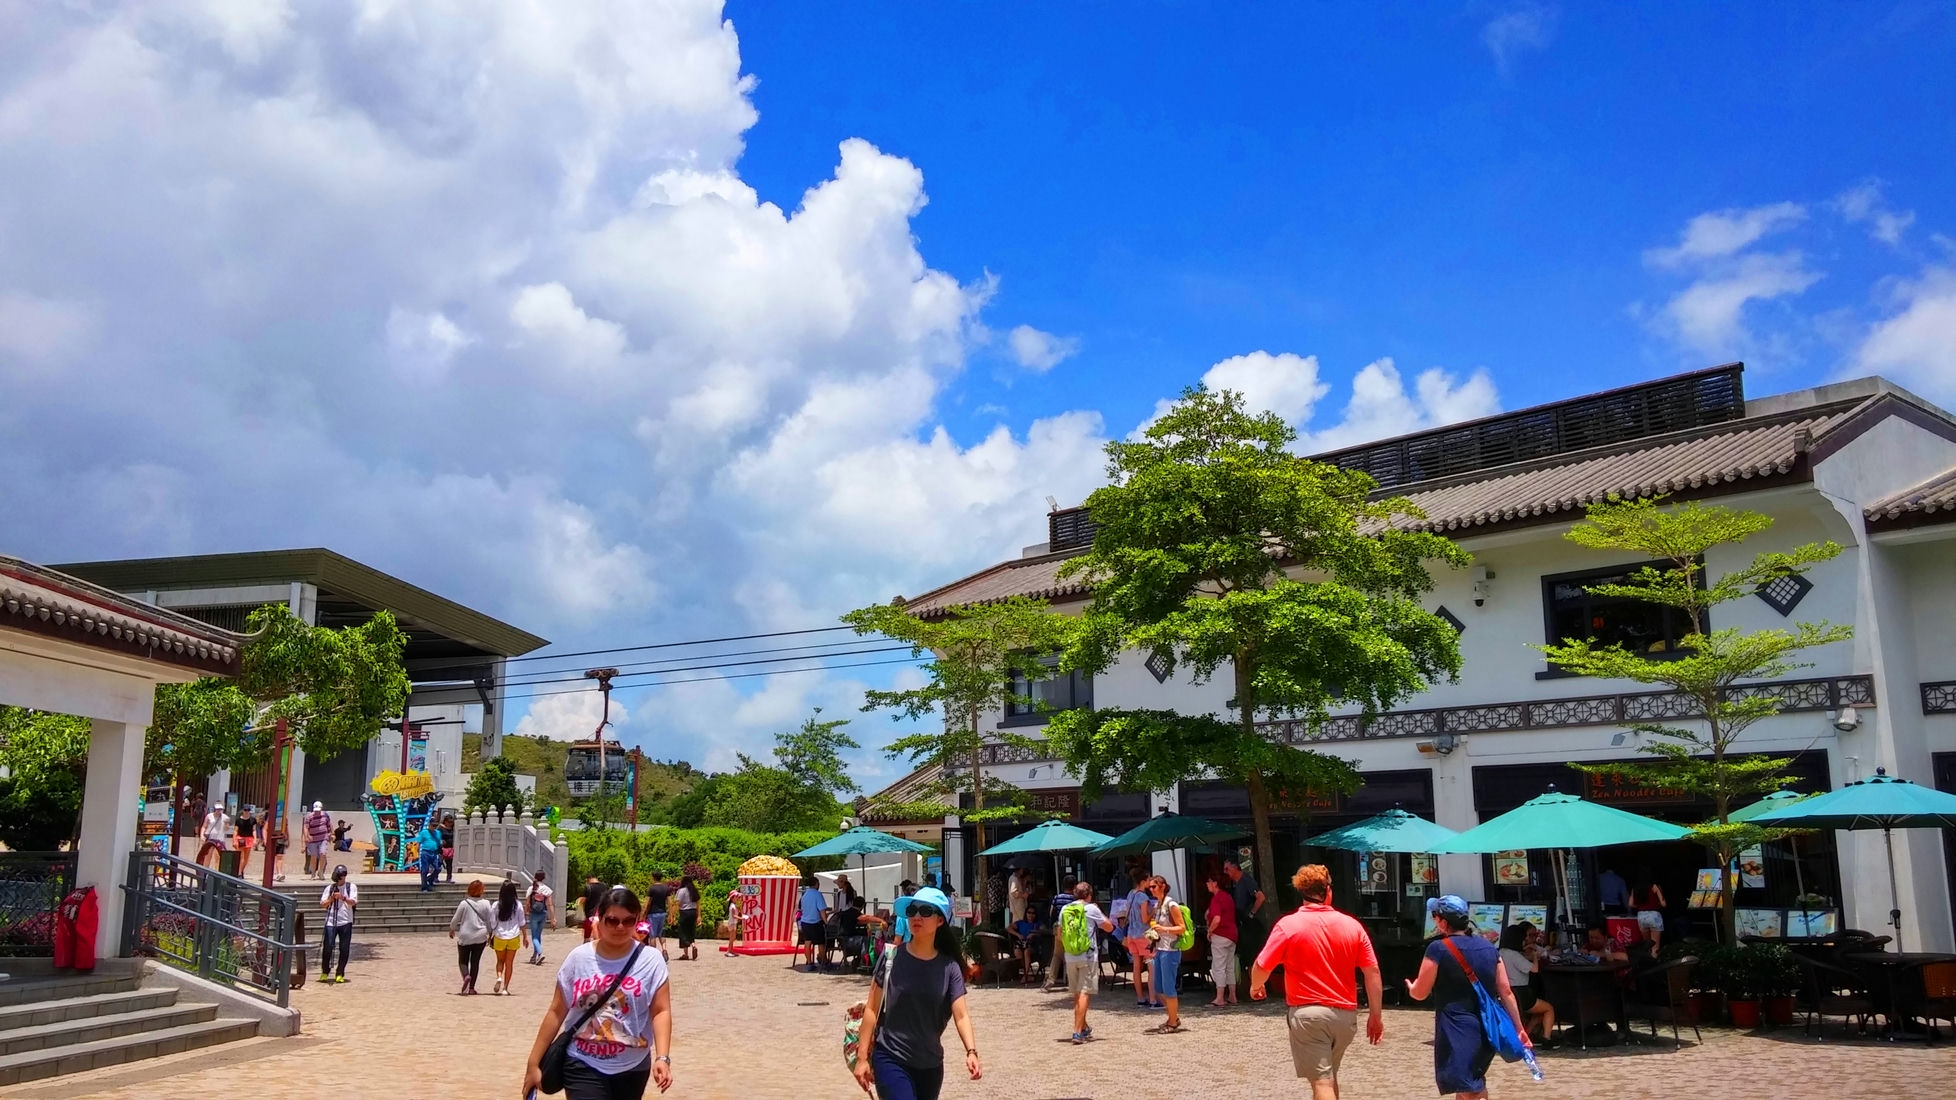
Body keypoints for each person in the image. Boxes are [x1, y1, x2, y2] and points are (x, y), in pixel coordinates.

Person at [523, 885, 673, 1100]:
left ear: (637, 920)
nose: (620, 927)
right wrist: (533, 1062)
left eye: (628, 920)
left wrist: (663, 1057)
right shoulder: (579, 958)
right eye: (612, 920)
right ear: (599, 919)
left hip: (632, 1066)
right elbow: (557, 1011)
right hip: (582, 1061)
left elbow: (661, 1011)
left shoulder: (651, 960)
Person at [1250, 865, 1384, 1100]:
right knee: (1329, 1079)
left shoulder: (1288, 925)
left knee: (1322, 1082)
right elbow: (1371, 972)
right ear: (1327, 891)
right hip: (1345, 1016)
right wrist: (1376, 1015)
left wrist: (1255, 986)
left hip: (1309, 1014)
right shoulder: (1352, 926)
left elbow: (1262, 966)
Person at [852, 887, 980, 1099]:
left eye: (926, 911)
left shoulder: (949, 967)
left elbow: (961, 1015)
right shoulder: (891, 957)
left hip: (930, 1065)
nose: (917, 917)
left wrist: (971, 1051)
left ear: (940, 921)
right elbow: (872, 1009)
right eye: (912, 911)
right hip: (891, 1057)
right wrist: (862, 1058)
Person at [1404, 896, 1529, 1100]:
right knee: (1466, 1083)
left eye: (1435, 916)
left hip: (1456, 1027)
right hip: (1487, 1026)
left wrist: (1411, 987)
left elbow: (1420, 993)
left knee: (1471, 1088)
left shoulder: (1437, 949)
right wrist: (1519, 1028)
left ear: (1444, 922)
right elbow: (1506, 991)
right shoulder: (1489, 948)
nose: (1435, 920)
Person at [1056, 880, 1115, 1044]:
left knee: (1077, 993)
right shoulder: (1091, 908)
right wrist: (1100, 912)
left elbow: (1059, 934)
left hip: (1070, 956)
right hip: (1087, 956)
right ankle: (1076, 1032)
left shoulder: (1065, 909)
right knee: (1085, 993)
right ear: (1089, 895)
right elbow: (1109, 927)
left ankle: (1082, 1026)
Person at [1499, 922, 1555, 1046]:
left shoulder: (1501, 952)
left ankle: (1527, 1032)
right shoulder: (1514, 955)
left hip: (1506, 991)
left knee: (1537, 1011)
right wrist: (1535, 957)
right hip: (1522, 993)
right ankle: (1547, 1039)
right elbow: (1534, 969)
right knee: (1548, 1008)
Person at [1145, 876, 1187, 1034]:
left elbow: (1181, 928)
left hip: (1171, 951)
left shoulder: (1172, 905)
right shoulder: (1158, 905)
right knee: (1158, 987)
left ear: (1162, 886)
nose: (1151, 889)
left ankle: (1172, 1021)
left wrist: (1164, 930)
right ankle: (1173, 1017)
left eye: (1154, 887)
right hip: (1160, 950)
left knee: (1169, 988)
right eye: (1150, 887)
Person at [1224, 858, 1267, 996]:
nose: (1226, 872)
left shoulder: (1246, 880)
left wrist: (1251, 914)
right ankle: (1249, 989)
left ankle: (1258, 989)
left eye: (1227, 869)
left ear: (1235, 867)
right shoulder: (1235, 884)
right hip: (1244, 925)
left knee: (1253, 957)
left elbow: (1260, 897)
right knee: (1245, 957)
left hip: (1253, 926)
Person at [449, 878, 495, 995]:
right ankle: (472, 988)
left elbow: (456, 919)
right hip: (480, 935)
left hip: (466, 934)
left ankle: (466, 976)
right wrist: (490, 933)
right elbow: (490, 921)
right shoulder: (486, 903)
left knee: (463, 961)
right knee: (475, 962)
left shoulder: (464, 903)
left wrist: (452, 929)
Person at [1203, 871, 1239, 1007]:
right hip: (1232, 935)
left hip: (1221, 934)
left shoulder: (1216, 898)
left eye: (1208, 881)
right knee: (1229, 966)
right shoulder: (1228, 897)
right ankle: (1232, 995)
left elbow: (1217, 919)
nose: (1207, 884)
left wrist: (1210, 930)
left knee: (1218, 966)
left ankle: (1219, 998)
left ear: (1214, 883)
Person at [490, 878, 529, 994]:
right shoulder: (517, 905)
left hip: (499, 935)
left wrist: (490, 934)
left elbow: (492, 922)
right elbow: (522, 922)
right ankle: (505, 988)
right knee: (509, 963)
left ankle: (499, 977)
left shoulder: (496, 905)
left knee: (500, 961)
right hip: (513, 936)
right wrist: (525, 937)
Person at [320, 864, 358, 983]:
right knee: (328, 947)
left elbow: (353, 901)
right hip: (331, 921)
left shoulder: (351, 887)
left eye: (343, 875)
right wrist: (331, 899)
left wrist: (343, 898)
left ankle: (340, 973)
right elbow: (322, 904)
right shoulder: (329, 888)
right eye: (340, 876)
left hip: (346, 921)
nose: (342, 878)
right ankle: (325, 971)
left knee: (344, 948)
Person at [1122, 874, 1155, 1006]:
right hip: (1143, 935)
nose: (1149, 882)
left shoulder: (1131, 893)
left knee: (1136, 967)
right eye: (1148, 880)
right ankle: (1153, 999)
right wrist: (1153, 911)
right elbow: (1145, 919)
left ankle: (1140, 998)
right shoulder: (1143, 897)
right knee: (1151, 966)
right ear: (1142, 881)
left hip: (1131, 934)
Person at [799, 873, 831, 972]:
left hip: (805, 922)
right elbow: (822, 910)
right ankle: (824, 962)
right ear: (816, 884)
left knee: (807, 943)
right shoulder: (818, 894)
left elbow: (801, 908)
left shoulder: (805, 895)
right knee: (821, 943)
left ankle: (809, 962)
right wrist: (826, 922)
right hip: (815, 922)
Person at [1631, 868, 1667, 949]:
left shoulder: (1635, 888)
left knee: (1647, 945)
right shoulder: (1654, 886)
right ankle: (1654, 959)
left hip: (1641, 916)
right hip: (1654, 915)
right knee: (1655, 946)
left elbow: (1631, 904)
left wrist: (1641, 905)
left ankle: (1647, 959)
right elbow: (1663, 904)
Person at [526, 870, 555, 965]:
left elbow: (527, 903)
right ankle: (535, 956)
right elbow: (550, 904)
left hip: (533, 914)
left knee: (534, 936)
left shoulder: (531, 888)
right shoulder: (547, 889)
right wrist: (552, 918)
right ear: (544, 878)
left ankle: (540, 952)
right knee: (538, 935)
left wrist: (526, 912)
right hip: (543, 914)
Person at [196, 801, 231, 868]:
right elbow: (204, 826)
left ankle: (217, 872)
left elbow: (226, 829)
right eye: (217, 809)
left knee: (218, 856)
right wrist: (202, 835)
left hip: (220, 839)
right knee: (207, 855)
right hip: (210, 838)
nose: (219, 811)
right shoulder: (209, 816)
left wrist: (226, 825)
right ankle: (205, 871)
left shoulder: (225, 817)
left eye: (220, 809)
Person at [674, 876, 701, 961]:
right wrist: (699, 916)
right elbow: (698, 904)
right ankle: (693, 945)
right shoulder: (694, 891)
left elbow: (678, 903)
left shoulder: (681, 891)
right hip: (693, 912)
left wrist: (674, 915)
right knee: (691, 930)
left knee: (683, 931)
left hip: (685, 912)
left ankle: (686, 954)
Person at [304, 801, 332, 880]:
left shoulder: (325, 815)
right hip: (313, 839)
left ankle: (321, 871)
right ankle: (313, 872)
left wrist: (331, 834)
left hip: (323, 838)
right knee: (314, 856)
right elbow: (306, 827)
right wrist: (307, 836)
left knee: (323, 854)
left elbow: (329, 824)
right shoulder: (309, 816)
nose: (317, 812)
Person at [644, 878, 674, 954]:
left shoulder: (652, 888)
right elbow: (670, 902)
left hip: (652, 914)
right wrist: (671, 915)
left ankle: (653, 953)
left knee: (652, 935)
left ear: (653, 877)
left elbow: (647, 903)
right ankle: (664, 949)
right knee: (661, 933)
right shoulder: (666, 888)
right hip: (663, 913)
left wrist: (643, 914)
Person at [414, 817, 443, 892]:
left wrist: (440, 852)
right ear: (429, 825)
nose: (434, 827)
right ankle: (424, 886)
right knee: (425, 870)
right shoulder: (424, 832)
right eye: (433, 825)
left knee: (437, 868)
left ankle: (429, 879)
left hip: (434, 853)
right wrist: (417, 852)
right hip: (425, 852)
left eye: (435, 826)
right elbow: (418, 842)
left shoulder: (438, 833)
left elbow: (439, 843)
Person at [233, 804, 258, 877]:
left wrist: (255, 839)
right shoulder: (239, 820)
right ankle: (239, 873)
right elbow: (235, 831)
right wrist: (234, 840)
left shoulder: (253, 820)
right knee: (241, 856)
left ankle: (241, 870)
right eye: (245, 810)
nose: (247, 812)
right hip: (240, 838)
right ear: (243, 811)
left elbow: (254, 830)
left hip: (249, 838)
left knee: (246, 857)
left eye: (248, 810)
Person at [581, 875, 605, 943]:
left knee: (587, 936)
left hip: (590, 914)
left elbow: (584, 901)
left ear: (588, 879)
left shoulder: (588, 887)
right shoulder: (604, 886)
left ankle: (587, 949)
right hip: (601, 913)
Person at [439, 813, 457, 884]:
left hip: (450, 848)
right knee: (439, 863)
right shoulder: (440, 828)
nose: (450, 824)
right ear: (445, 821)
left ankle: (449, 877)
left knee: (449, 864)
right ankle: (435, 877)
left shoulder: (453, 828)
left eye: (451, 822)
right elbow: (437, 835)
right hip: (442, 848)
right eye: (449, 822)